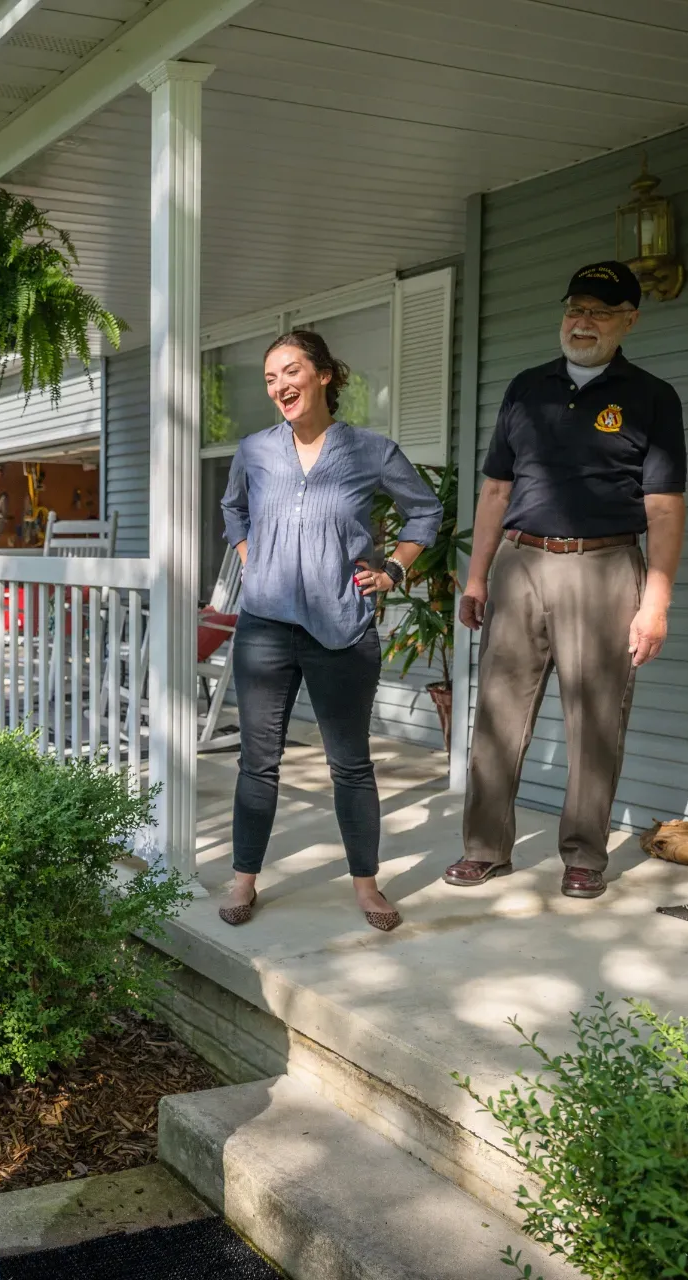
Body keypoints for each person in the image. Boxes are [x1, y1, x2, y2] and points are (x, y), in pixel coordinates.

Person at [444, 261, 687, 900]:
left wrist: (655, 602)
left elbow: (663, 506)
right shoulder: (526, 389)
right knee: (498, 711)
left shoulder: (652, 397)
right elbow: (496, 488)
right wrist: (475, 578)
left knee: (597, 718)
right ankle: (485, 848)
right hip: (520, 562)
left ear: (629, 320)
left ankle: (583, 856)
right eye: (575, 307)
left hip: (607, 567)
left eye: (601, 311)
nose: (583, 321)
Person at [216, 331, 444, 931]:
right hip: (264, 626)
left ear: (324, 375)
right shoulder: (256, 451)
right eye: (269, 379)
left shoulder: (371, 450)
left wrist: (395, 568)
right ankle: (244, 877)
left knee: (350, 764)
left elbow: (426, 510)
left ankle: (367, 885)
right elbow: (232, 507)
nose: (279, 387)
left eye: (290, 372)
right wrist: (247, 551)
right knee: (257, 761)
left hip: (341, 629)